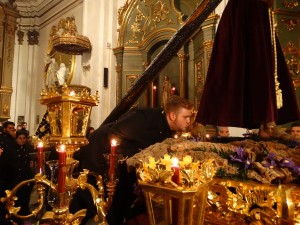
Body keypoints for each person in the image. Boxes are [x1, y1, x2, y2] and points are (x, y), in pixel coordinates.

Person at [72, 95, 194, 225]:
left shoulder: (168, 130)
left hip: (122, 166)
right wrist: (139, 157)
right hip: (100, 156)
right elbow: (115, 132)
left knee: (122, 202)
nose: (188, 121)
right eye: (185, 117)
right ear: (172, 116)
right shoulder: (144, 117)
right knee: (92, 199)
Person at [195, 0, 299, 139]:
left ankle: (268, 123)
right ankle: (201, 121)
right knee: (224, 64)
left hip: (261, 10)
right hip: (240, 9)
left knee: (263, 65)